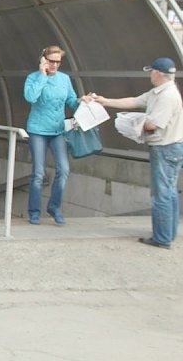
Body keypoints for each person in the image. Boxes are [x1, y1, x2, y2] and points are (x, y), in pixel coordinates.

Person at [94, 57, 183, 249]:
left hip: (165, 148)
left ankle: (162, 238)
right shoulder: (158, 92)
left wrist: (132, 124)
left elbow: (153, 125)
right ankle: (169, 232)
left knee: (161, 195)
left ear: (158, 73)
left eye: (151, 71)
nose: (150, 74)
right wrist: (105, 101)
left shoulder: (167, 97)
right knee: (170, 192)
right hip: (172, 147)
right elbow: (134, 101)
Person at [24, 45, 92, 225]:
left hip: (58, 130)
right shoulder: (33, 77)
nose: (54, 65)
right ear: (44, 60)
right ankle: (34, 211)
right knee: (38, 173)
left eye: (57, 62)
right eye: (51, 61)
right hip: (37, 129)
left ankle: (54, 207)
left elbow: (70, 100)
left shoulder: (64, 79)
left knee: (64, 170)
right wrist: (42, 76)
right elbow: (30, 97)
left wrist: (82, 101)